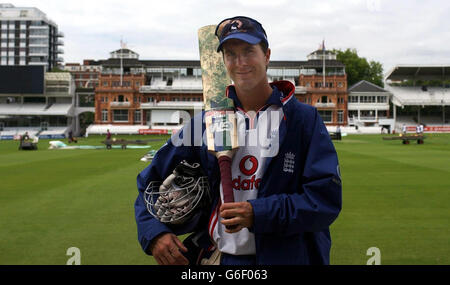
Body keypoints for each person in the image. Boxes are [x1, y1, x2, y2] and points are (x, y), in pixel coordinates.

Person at [134, 16, 342, 265]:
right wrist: (154, 232)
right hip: (223, 259)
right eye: (231, 54)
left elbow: (324, 200)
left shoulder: (302, 120)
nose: (240, 62)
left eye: (248, 51)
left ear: (266, 56)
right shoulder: (205, 122)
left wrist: (258, 213)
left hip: (287, 258)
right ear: (223, 62)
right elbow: (149, 181)